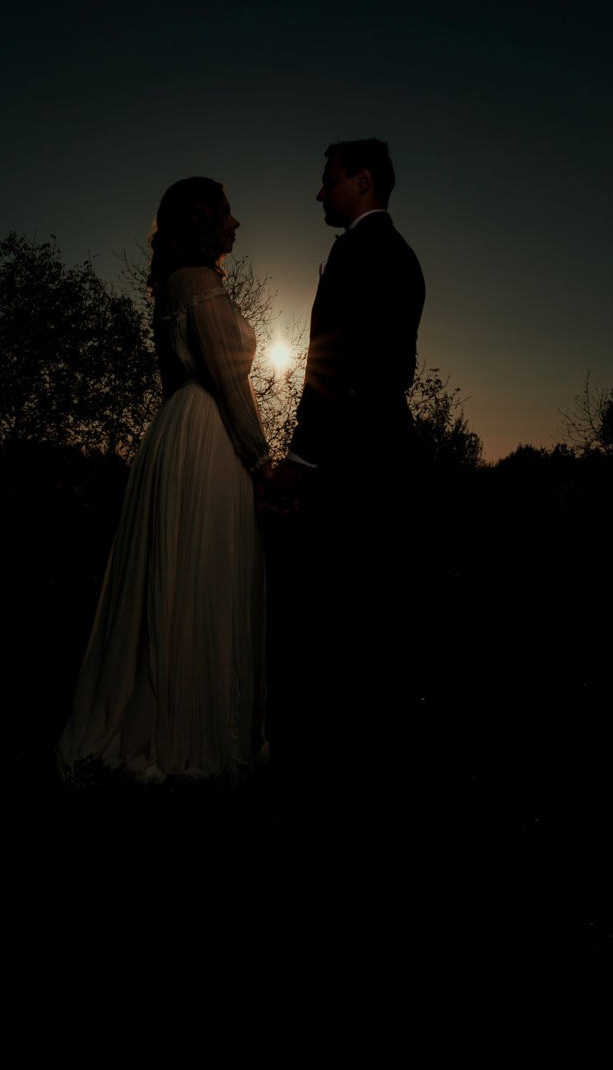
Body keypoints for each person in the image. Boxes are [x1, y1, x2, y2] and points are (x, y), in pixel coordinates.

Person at [57, 178, 275, 784]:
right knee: (200, 570)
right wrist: (261, 461)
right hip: (208, 435)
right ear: (205, 221)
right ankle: (187, 730)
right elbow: (230, 381)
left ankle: (185, 717)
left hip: (182, 429)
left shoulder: (178, 285)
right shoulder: (198, 284)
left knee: (184, 575)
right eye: (228, 214)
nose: (236, 225)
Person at [268, 138, 426, 769]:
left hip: (353, 451)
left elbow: (330, 364)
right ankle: (375, 744)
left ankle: (335, 752)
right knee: (380, 602)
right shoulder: (402, 255)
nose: (318, 192)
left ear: (362, 180)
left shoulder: (360, 255)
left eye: (328, 180)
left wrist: (301, 460)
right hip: (390, 441)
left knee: (340, 602)